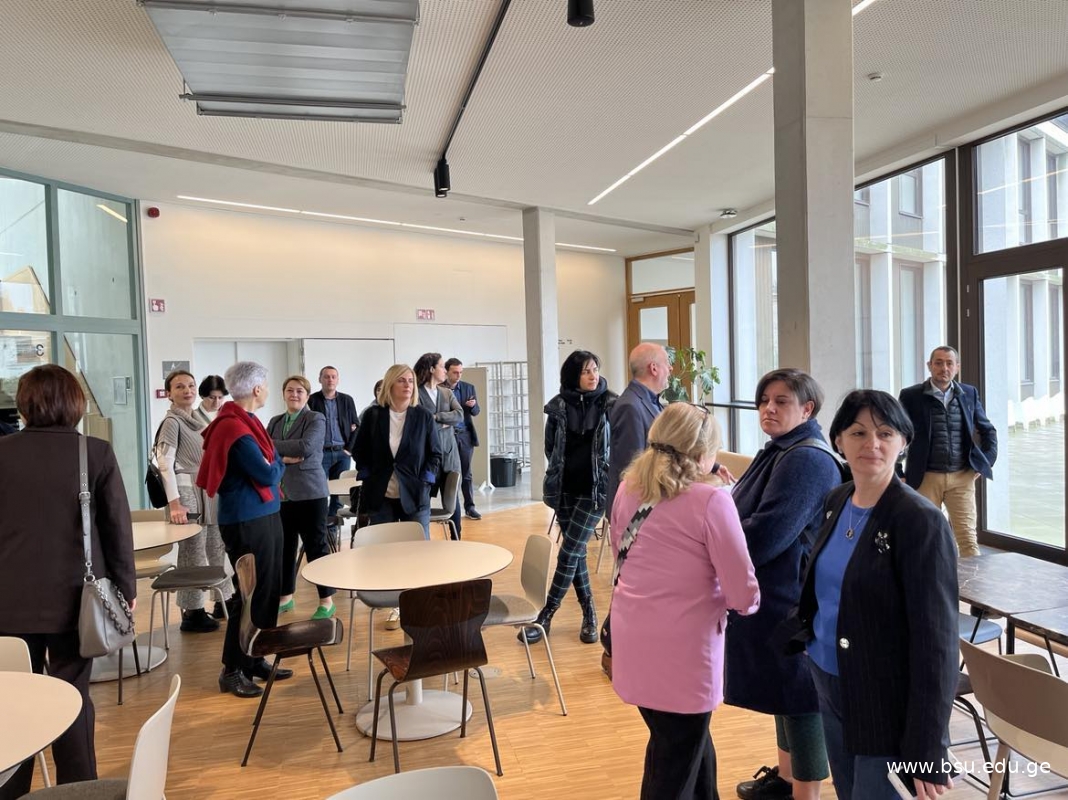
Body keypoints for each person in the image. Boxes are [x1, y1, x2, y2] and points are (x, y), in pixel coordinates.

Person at [788, 390, 958, 800]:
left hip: (884, 693)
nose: (872, 444)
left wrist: (929, 744)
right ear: (838, 441)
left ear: (904, 442)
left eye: (885, 433)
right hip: (828, 679)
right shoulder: (836, 500)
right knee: (848, 791)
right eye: (858, 432)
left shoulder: (919, 520)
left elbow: (937, 642)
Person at [610, 402, 760, 800]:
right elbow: (741, 589)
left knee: (682, 743)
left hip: (633, 636)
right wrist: (753, 605)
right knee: (675, 761)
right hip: (685, 655)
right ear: (700, 453)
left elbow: (620, 553)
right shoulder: (711, 501)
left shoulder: (629, 488)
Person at [0, 365, 136, 798]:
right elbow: (116, 527)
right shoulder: (94, 452)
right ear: (75, 404)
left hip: (7, 602)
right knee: (72, 695)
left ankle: (12, 790)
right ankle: (77, 790)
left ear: (24, 404)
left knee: (13, 700)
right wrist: (126, 589)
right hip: (75, 601)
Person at [725, 369, 842, 800]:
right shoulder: (782, 449)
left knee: (799, 696)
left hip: (793, 596)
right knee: (782, 689)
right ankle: (787, 779)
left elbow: (767, 533)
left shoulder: (807, 459)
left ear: (807, 409)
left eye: (780, 401)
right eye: (763, 401)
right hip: (773, 591)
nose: (768, 409)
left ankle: (805, 791)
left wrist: (719, 544)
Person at [198, 361, 292, 699]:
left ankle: (255, 657)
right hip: (245, 519)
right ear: (256, 388)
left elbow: (270, 464)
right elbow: (268, 473)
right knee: (250, 594)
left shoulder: (247, 420)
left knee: (268, 589)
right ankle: (232, 669)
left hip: (265, 513)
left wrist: (274, 462)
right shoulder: (232, 427)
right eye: (266, 385)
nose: (267, 390)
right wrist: (278, 462)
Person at [522, 349, 616, 646]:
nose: (593, 375)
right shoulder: (558, 406)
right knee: (576, 554)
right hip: (564, 489)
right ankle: (589, 613)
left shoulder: (611, 404)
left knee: (568, 551)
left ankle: (546, 614)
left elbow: (616, 447)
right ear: (574, 375)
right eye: (586, 371)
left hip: (595, 491)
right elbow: (551, 449)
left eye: (595, 369)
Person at [898, 345, 997, 557]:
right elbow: (895, 434)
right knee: (924, 539)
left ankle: (973, 580)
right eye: (939, 363)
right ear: (929, 366)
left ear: (957, 367)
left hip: (961, 477)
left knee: (968, 540)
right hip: (925, 478)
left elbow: (988, 431)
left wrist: (984, 463)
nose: (944, 368)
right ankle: (929, 579)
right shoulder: (911, 396)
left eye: (949, 363)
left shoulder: (969, 393)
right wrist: (898, 472)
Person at [156, 369, 233, 633]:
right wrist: (175, 503)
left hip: (208, 489)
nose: (187, 390)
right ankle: (193, 611)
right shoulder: (172, 422)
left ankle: (223, 599)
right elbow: (164, 463)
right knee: (193, 552)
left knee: (216, 545)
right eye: (179, 387)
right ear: (169, 394)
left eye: (190, 385)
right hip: (187, 491)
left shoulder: (196, 420)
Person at [267, 375, 336, 620]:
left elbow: (306, 447)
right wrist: (285, 456)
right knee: (284, 548)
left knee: (316, 547)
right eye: (289, 390)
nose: (294, 394)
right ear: (283, 394)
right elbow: (263, 449)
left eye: (299, 391)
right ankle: (285, 597)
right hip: (282, 494)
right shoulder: (275, 421)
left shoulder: (315, 418)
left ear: (307, 395)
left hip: (310, 493)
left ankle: (326, 601)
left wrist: (275, 447)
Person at [352, 364, 442, 538]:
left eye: (410, 381)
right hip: (380, 495)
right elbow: (359, 450)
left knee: (418, 548)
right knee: (385, 547)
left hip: (415, 493)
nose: (407, 385)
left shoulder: (423, 416)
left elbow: (435, 453)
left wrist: (425, 479)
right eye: (401, 381)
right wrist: (368, 474)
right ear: (390, 384)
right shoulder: (373, 415)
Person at [415, 352, 464, 540]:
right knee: (423, 500)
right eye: (442, 366)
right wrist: (443, 423)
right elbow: (420, 423)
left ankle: (456, 539)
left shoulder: (446, 392)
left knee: (453, 500)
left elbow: (459, 415)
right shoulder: (417, 394)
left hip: (450, 456)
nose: (445, 370)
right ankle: (422, 540)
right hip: (427, 457)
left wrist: (436, 417)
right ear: (431, 369)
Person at [307, 366, 360, 519]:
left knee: (338, 496)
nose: (330, 379)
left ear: (337, 380)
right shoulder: (312, 400)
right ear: (320, 379)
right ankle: (321, 524)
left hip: (342, 452)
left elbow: (356, 426)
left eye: (333, 377)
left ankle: (332, 526)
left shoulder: (347, 400)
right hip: (321, 453)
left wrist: (349, 450)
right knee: (320, 492)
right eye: (326, 376)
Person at [444, 357, 482, 520]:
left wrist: (473, 406)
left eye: (460, 372)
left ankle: (470, 507)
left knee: (466, 473)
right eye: (455, 372)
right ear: (446, 372)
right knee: (449, 473)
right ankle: (449, 508)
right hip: (446, 435)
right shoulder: (439, 389)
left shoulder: (468, 388)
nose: (458, 375)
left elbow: (476, 411)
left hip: (464, 434)